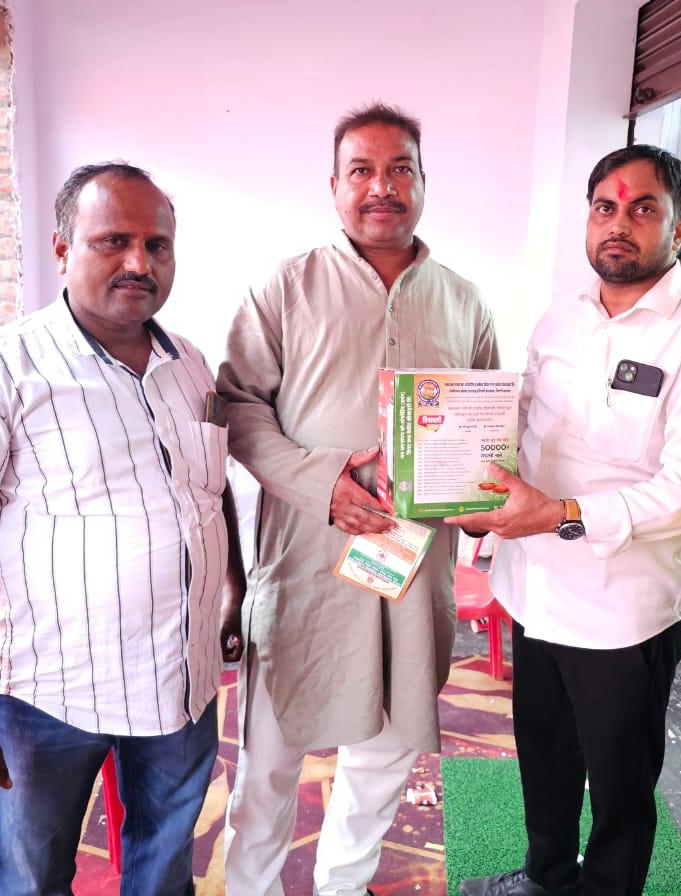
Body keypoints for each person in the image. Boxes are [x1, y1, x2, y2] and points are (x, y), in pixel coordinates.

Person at [0, 162, 246, 896]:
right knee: (32, 879)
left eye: (157, 245)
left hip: (182, 684)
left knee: (164, 869)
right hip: (49, 698)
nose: (139, 262)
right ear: (61, 249)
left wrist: (233, 587)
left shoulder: (189, 364)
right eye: (113, 240)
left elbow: (209, 489)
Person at [450, 145, 681, 896]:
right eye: (605, 208)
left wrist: (561, 513)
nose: (619, 224)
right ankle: (546, 878)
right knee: (544, 757)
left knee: (620, 790)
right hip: (534, 591)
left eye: (643, 209)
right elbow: (519, 424)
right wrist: (460, 484)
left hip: (622, 615)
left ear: (678, 229)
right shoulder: (561, 318)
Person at [217, 102, 499, 896]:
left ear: (423, 181)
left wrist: (480, 492)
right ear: (334, 185)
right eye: (362, 170)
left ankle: (343, 885)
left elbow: (485, 429)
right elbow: (237, 406)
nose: (383, 187)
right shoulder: (285, 287)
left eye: (400, 168)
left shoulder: (463, 301)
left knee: (383, 756)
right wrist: (321, 484)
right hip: (308, 559)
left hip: (412, 566)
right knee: (270, 759)